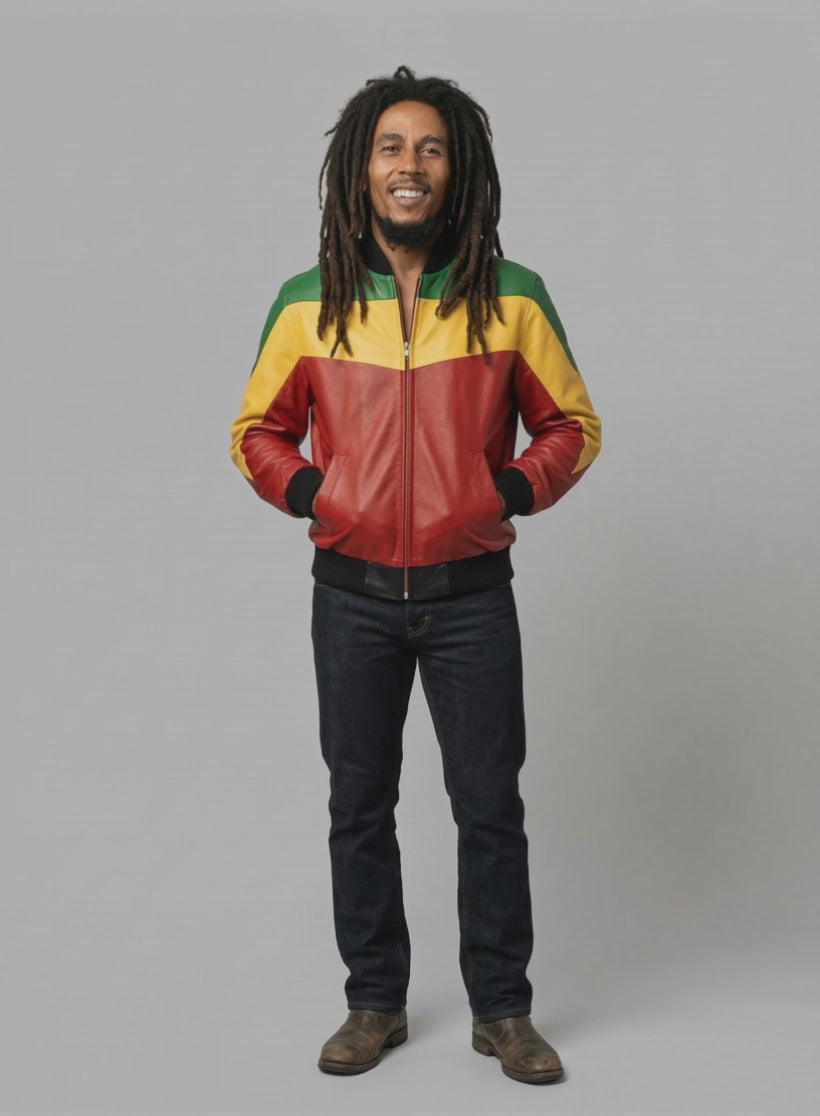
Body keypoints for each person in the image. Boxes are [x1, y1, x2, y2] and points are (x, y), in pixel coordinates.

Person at [229, 66, 601, 1085]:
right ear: (360, 170)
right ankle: (374, 1003)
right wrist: (321, 497)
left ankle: (503, 1011)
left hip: (471, 600)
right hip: (349, 599)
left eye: (430, 148)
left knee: (489, 808)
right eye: (390, 147)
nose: (410, 165)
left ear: (456, 171)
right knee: (358, 806)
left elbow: (571, 425)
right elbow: (256, 432)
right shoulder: (306, 304)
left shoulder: (511, 297)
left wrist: (504, 492)